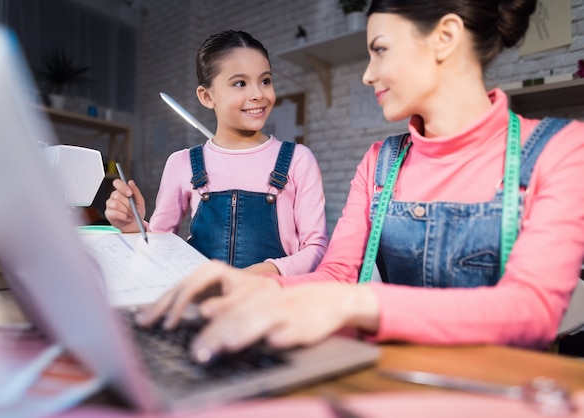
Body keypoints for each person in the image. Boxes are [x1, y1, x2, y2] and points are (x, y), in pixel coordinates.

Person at [136, 0, 584, 364]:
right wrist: (250, 286)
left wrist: (358, 304)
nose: (368, 73)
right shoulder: (380, 162)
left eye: (380, 50)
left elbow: (532, 310)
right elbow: (335, 273)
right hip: (392, 376)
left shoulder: (561, 149)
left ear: (445, 37)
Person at [105, 30, 328, 276]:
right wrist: (133, 226)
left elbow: (316, 248)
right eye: (240, 83)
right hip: (205, 303)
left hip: (272, 303)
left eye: (265, 80)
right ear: (207, 96)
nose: (258, 94)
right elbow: (161, 246)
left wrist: (260, 274)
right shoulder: (182, 163)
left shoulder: (298, 159)